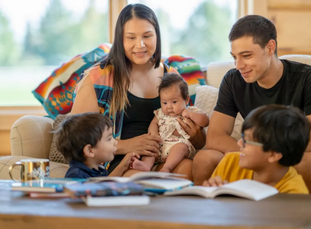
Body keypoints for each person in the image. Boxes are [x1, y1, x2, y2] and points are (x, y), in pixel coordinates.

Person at [192, 14, 311, 193]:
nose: (238, 65)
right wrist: (254, 155)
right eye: (234, 57)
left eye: (246, 56)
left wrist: (267, 154)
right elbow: (215, 138)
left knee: (309, 162)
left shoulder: (308, 77)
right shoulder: (232, 80)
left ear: (270, 47)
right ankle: (204, 217)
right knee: (204, 158)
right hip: (254, 153)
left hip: (294, 155)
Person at [70, 3, 205, 180]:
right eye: (131, 37)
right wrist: (126, 146)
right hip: (119, 160)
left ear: (157, 36)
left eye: (147, 36)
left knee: (186, 169)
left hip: (166, 154)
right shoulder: (99, 78)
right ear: (121, 39)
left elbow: (197, 136)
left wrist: (197, 136)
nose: (139, 45)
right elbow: (75, 138)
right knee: (139, 179)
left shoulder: (172, 77)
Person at [203, 105, 309, 194]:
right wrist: (212, 195)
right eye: (242, 137)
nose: (239, 143)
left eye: (246, 141)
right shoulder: (230, 162)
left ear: (274, 155)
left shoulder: (294, 193)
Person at [131, 73, 209, 172]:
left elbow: (205, 121)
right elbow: (153, 123)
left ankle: (167, 168)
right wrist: (154, 134)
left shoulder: (190, 111)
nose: (169, 106)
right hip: (161, 145)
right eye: (164, 103)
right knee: (150, 150)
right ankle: (145, 166)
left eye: (174, 102)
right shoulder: (160, 113)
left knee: (180, 148)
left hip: (179, 144)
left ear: (186, 100)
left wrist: (189, 113)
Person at [55, 112, 139, 178]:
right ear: (89, 150)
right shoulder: (77, 176)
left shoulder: (98, 169)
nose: (115, 142)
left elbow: (105, 184)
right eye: (109, 139)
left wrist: (123, 165)